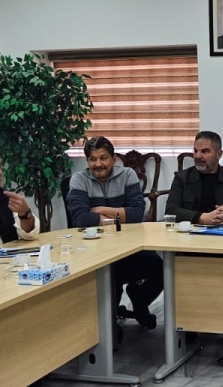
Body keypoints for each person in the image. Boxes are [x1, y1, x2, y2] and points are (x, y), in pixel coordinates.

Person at [166, 130, 223, 365]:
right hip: (192, 247)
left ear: (219, 154)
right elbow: (171, 210)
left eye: (205, 151)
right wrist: (202, 217)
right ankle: (189, 326)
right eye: (195, 151)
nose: (198, 156)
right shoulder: (182, 178)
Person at [66, 136, 162, 330]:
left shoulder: (127, 175)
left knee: (160, 269)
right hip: (94, 253)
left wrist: (100, 210)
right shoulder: (79, 179)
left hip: (129, 249)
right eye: (93, 159)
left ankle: (139, 302)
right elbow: (81, 218)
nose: (98, 164)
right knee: (109, 277)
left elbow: (137, 214)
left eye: (103, 158)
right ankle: (107, 324)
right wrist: (119, 216)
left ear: (114, 158)